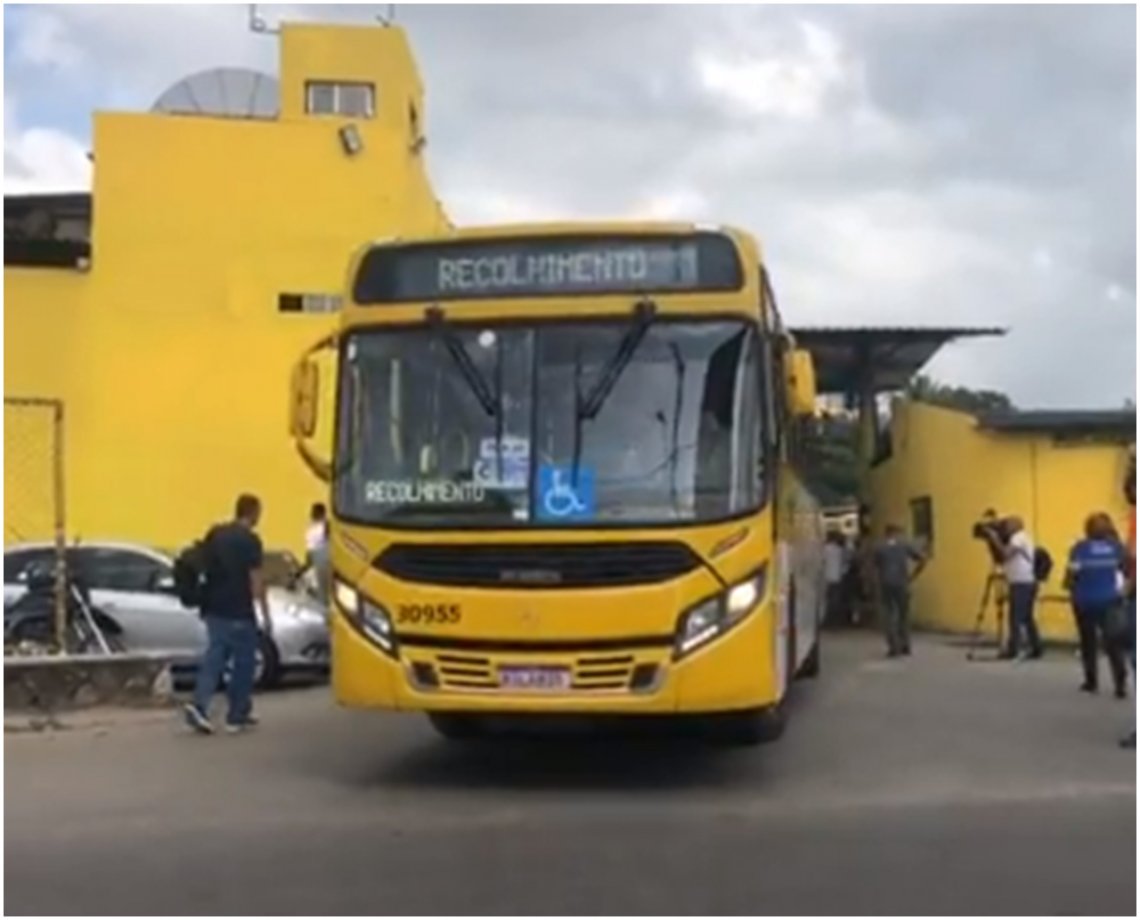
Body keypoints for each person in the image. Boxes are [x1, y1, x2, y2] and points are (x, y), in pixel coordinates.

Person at [183, 493, 271, 735]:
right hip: (239, 609)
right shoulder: (251, 541)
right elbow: (256, 580)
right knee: (244, 662)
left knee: (215, 657)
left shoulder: (216, 534)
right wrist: (264, 613)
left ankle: (199, 705)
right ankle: (236, 715)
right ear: (253, 513)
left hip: (213, 607)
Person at [1064, 512, 1128, 699]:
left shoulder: (1079, 549)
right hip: (1109, 601)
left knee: (1087, 642)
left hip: (1083, 601)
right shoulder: (1117, 548)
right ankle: (1120, 684)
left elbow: (1070, 577)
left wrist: (1071, 585)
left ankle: (1091, 681)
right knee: (1114, 644)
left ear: (1087, 530)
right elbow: (1126, 570)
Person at [874, 524, 926, 657]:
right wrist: (913, 576)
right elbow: (922, 559)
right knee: (903, 615)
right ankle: (905, 645)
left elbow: (875, 566)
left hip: (886, 584)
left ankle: (893, 647)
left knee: (889, 615)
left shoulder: (879, 547)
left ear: (886, 533)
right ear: (896, 533)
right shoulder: (904, 545)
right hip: (902, 583)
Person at [995, 516, 1043, 660]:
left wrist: (993, 538)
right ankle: (1036, 647)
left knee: (1015, 617)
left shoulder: (1018, 538)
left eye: (1007, 524)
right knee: (1027, 617)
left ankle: (1013, 649)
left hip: (1021, 582)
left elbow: (1005, 554)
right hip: (1025, 581)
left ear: (1016, 525)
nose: (1005, 527)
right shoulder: (1021, 538)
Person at [304, 502, 331, 605]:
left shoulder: (311, 528)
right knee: (326, 590)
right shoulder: (324, 525)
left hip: (319, 560)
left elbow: (309, 551)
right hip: (324, 560)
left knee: (323, 590)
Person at [823, 531, 848, 628]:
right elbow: (845, 564)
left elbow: (821, 562)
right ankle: (835, 621)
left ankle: (827, 620)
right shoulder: (840, 550)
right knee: (835, 600)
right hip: (837, 578)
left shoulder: (824, 549)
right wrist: (842, 573)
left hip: (826, 578)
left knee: (826, 599)